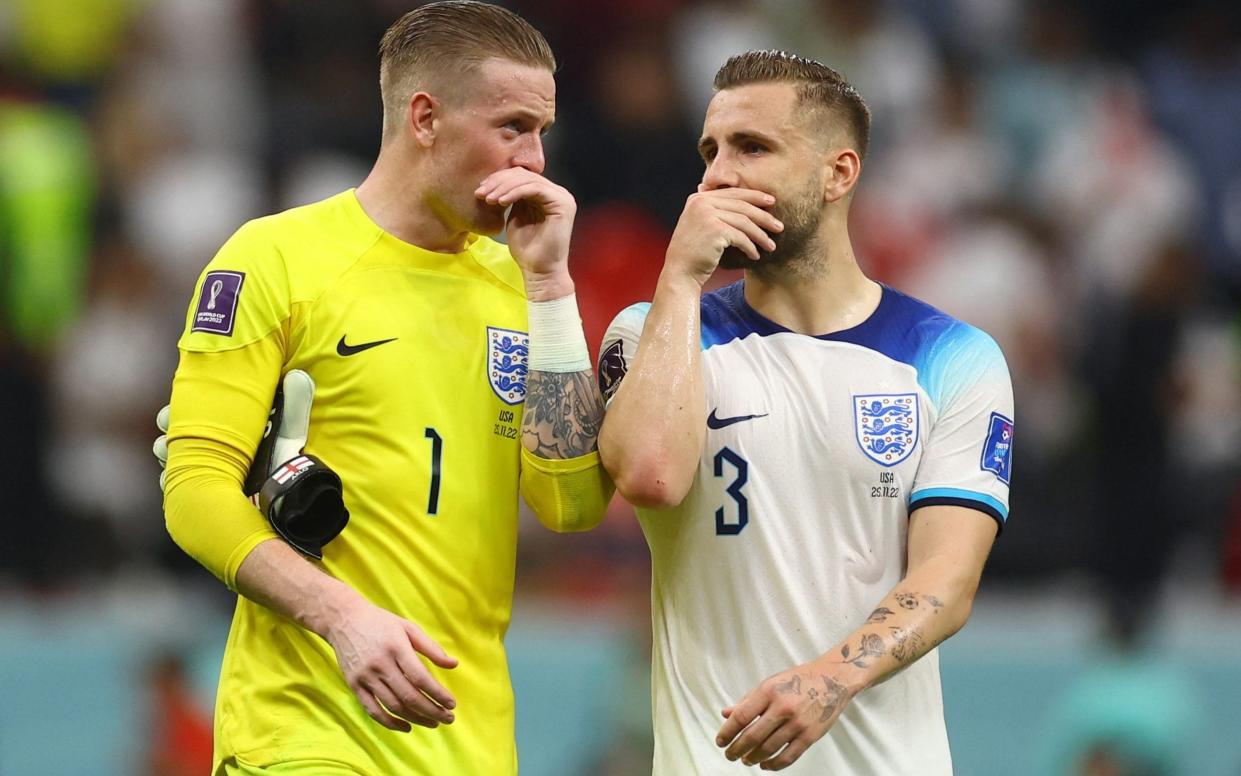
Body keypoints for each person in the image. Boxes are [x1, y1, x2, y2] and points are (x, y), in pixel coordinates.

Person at [159, 3, 611, 774]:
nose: (535, 160)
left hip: (464, 740)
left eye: (542, 132)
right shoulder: (277, 259)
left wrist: (548, 284)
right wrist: (342, 618)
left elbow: (569, 506)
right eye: (511, 127)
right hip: (305, 728)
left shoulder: (521, 287)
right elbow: (195, 488)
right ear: (425, 117)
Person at [598, 50, 1013, 773]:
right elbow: (650, 476)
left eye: (752, 147)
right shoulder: (656, 332)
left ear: (837, 173)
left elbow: (946, 580)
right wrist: (679, 276)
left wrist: (829, 679)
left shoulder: (952, 357)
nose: (718, 175)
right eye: (710, 150)